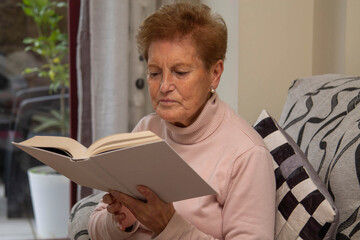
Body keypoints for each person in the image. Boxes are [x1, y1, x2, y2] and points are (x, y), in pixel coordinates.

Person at [88, 2, 275, 239]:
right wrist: (122, 221)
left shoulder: (246, 154)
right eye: (155, 73)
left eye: (181, 72)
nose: (164, 86)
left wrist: (168, 226)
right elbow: (94, 228)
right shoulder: (147, 129)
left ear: (215, 74)